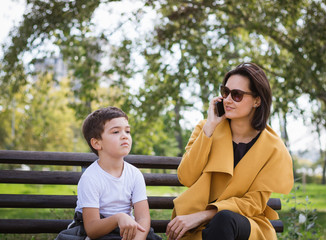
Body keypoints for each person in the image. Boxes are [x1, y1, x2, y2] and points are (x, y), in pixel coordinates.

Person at [166, 63, 294, 240]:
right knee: (220, 223)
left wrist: (207, 214)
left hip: (245, 225)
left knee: (224, 219)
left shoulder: (273, 148)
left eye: (237, 95)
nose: (227, 100)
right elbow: (186, 177)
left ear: (257, 100)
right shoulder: (206, 128)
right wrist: (209, 128)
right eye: (225, 92)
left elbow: (253, 203)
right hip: (197, 227)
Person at [56, 107, 160, 240]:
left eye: (127, 131)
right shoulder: (90, 178)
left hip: (127, 230)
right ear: (97, 143)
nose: (124, 136)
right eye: (116, 131)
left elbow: (143, 218)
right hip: (98, 230)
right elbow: (92, 229)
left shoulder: (135, 174)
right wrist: (118, 217)